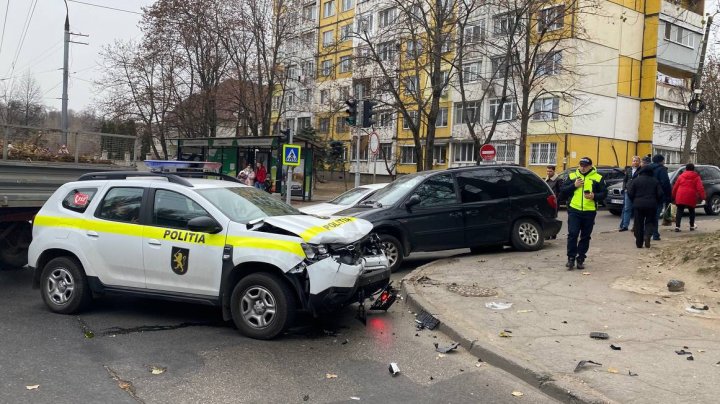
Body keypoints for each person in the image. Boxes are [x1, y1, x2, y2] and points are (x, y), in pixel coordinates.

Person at [559, 157, 607, 270]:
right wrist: (574, 186)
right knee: (572, 234)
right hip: (574, 210)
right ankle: (570, 258)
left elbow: (604, 193)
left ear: (590, 166)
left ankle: (580, 259)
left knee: (585, 236)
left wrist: (594, 196)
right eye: (581, 165)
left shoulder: (598, 177)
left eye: (585, 165)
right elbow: (563, 191)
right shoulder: (572, 176)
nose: (583, 167)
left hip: (589, 211)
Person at [627, 166, 663, 248]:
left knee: (638, 223)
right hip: (652, 205)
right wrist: (656, 201)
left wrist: (634, 200)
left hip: (638, 205)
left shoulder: (636, 181)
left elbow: (630, 192)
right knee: (650, 222)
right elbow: (660, 194)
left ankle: (639, 243)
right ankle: (647, 235)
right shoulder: (655, 181)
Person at [672, 163, 705, 232]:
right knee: (691, 211)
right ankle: (692, 226)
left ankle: (677, 227)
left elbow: (675, 187)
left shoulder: (681, 176)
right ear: (693, 169)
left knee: (679, 211)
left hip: (680, 195)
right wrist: (703, 197)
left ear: (686, 169)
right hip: (691, 196)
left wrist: (673, 195)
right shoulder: (696, 177)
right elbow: (700, 188)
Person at [649, 154, 672, 240]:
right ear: (661, 161)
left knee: (648, 215)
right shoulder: (662, 169)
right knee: (655, 215)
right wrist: (668, 196)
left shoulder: (648, 168)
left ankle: (646, 232)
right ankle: (655, 234)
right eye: (663, 160)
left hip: (647, 195)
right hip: (658, 196)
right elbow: (665, 183)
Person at [619, 156, 641, 231]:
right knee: (627, 209)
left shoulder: (641, 170)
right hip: (627, 192)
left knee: (637, 209)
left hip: (637, 192)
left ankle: (636, 226)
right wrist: (624, 188)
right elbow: (625, 180)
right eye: (634, 161)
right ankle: (625, 226)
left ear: (639, 162)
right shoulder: (629, 170)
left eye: (636, 161)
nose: (635, 162)